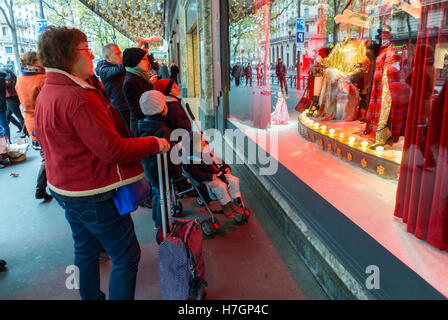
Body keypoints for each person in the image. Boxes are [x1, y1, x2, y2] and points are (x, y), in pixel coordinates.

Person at [34, 26, 170, 300]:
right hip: (91, 193)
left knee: (84, 250)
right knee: (126, 255)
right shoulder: (78, 97)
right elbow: (112, 148)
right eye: (86, 49)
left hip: (66, 190)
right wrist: (154, 143)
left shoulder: (49, 91)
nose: (92, 54)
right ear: (69, 55)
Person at [15, 52, 51, 201]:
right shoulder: (42, 79)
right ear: (34, 62)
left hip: (30, 122)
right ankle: (41, 188)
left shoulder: (20, 79)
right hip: (43, 122)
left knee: (45, 156)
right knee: (49, 158)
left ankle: (42, 188)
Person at [182, 131, 243, 218]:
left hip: (218, 173)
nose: (204, 142)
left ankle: (234, 202)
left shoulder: (206, 153)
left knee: (233, 180)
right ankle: (226, 206)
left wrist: (226, 167)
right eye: (201, 142)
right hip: (208, 178)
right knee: (221, 186)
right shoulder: (193, 160)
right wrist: (210, 176)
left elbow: (218, 161)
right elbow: (196, 174)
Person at [138, 90, 174, 229]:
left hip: (149, 168)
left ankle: (156, 221)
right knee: (163, 196)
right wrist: (176, 174)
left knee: (156, 193)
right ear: (161, 108)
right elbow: (170, 156)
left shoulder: (143, 124)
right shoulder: (163, 130)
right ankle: (162, 225)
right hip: (160, 170)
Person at [122, 47, 157, 136]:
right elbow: (137, 112)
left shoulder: (140, 76)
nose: (148, 62)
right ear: (135, 61)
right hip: (142, 128)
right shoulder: (131, 81)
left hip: (147, 123)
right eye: (144, 59)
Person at [95, 44, 131, 128]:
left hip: (127, 105)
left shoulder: (117, 66)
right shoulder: (104, 70)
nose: (121, 56)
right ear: (107, 57)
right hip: (120, 108)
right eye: (117, 54)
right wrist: (129, 56)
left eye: (120, 53)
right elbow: (118, 70)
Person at [2, 68, 26, 138]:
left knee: (18, 116)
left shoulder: (7, 77)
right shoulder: (11, 76)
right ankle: (20, 127)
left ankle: (25, 131)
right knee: (7, 116)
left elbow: (8, 84)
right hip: (11, 98)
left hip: (11, 98)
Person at [0, 71, 9, 143]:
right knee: (4, 124)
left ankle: (6, 142)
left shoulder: (1, 79)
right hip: (2, 104)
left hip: (1, 105)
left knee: (3, 124)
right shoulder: (2, 78)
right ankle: (7, 142)